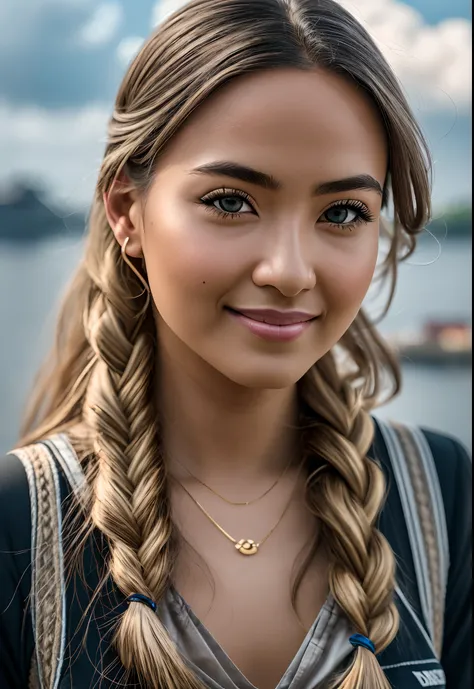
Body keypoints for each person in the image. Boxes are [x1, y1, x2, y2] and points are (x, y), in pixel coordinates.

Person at [0, 0, 471, 688]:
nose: (289, 270)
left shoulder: (441, 497)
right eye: (230, 201)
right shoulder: (20, 525)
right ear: (126, 211)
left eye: (343, 212)